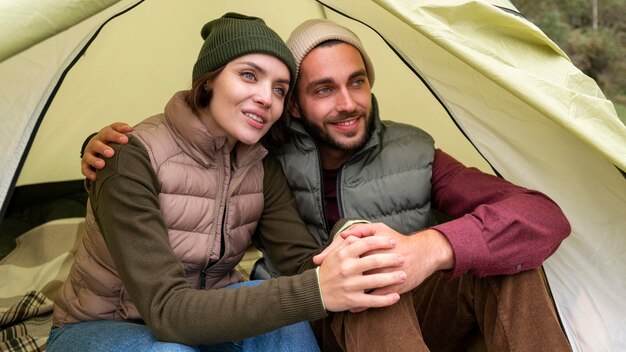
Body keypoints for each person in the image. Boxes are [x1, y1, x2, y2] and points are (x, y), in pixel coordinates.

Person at [81, 18, 573, 352]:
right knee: (370, 290)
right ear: (295, 107)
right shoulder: (264, 154)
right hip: (312, 317)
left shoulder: (416, 153)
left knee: (491, 266)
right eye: (322, 89)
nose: (347, 103)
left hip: (395, 306)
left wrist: (431, 248)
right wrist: (95, 145)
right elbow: (186, 156)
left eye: (357, 82)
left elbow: (542, 216)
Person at [48, 13, 408, 352]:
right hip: (102, 326)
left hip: (209, 320)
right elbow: (167, 311)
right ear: (208, 81)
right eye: (249, 75)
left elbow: (301, 262)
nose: (266, 98)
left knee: (287, 320)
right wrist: (315, 290)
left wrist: (350, 242)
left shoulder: (259, 165)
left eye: (280, 89)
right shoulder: (128, 158)